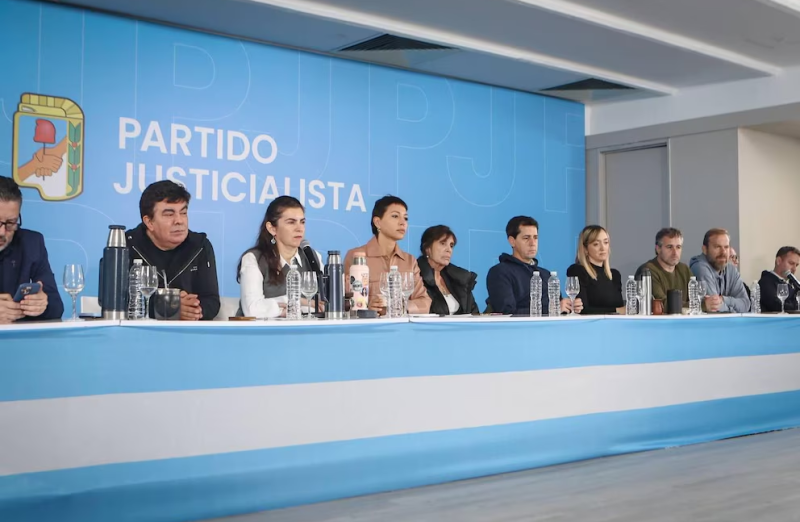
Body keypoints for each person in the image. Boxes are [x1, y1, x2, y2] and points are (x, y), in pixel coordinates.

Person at [126, 180, 220, 321]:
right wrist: (168, 308)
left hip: (187, 332)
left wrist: (194, 310)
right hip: (140, 331)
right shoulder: (126, 246)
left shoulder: (200, 246)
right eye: (169, 214)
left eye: (183, 213)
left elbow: (211, 301)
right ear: (149, 222)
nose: (179, 221)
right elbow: (117, 300)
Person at [237, 196, 323, 318]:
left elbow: (323, 305)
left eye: (302, 222)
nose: (299, 229)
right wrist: (299, 301)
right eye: (291, 222)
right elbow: (252, 310)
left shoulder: (313, 257)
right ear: (272, 228)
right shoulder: (254, 259)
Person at [344, 195, 430, 315]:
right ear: (378, 222)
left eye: (405, 218)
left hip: (402, 325)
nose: (402, 223)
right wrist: (367, 307)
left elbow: (425, 302)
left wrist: (399, 305)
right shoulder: (356, 256)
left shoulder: (409, 261)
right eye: (395, 216)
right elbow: (343, 301)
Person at [486, 216, 581, 315]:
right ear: (512, 241)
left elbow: (558, 308)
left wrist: (569, 307)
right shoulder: (500, 272)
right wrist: (552, 309)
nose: (532, 243)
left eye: (535, 237)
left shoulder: (546, 274)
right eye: (526, 238)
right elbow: (507, 313)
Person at [0, 176, 63, 323]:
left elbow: (56, 307)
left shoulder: (31, 243)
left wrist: (41, 304)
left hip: (19, 337)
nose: (2, 232)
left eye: (11, 223)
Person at [417, 225, 479, 316]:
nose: (449, 250)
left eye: (451, 245)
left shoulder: (460, 279)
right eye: (443, 243)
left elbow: (474, 314)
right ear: (427, 248)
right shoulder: (415, 277)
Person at [567, 225, 624, 315]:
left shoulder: (615, 275)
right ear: (585, 249)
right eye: (596, 244)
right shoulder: (577, 271)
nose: (603, 248)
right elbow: (582, 309)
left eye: (606, 242)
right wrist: (616, 310)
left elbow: (621, 306)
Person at [689, 228, 750, 313]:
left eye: (726, 247)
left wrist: (723, 299)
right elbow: (714, 308)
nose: (723, 252)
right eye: (717, 247)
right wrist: (734, 310)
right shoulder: (700, 267)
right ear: (705, 250)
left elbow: (746, 304)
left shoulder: (731, 269)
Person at [634, 228, 692, 308]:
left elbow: (695, 298)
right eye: (669, 247)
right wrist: (702, 305)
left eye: (678, 247)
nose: (675, 253)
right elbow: (661, 304)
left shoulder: (684, 269)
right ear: (658, 249)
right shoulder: (647, 271)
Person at [758, 246, 800, 313]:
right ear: (778, 261)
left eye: (796, 265)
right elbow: (777, 305)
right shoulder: (766, 282)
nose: (794, 269)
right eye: (791, 263)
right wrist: (796, 305)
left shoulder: (792, 284)